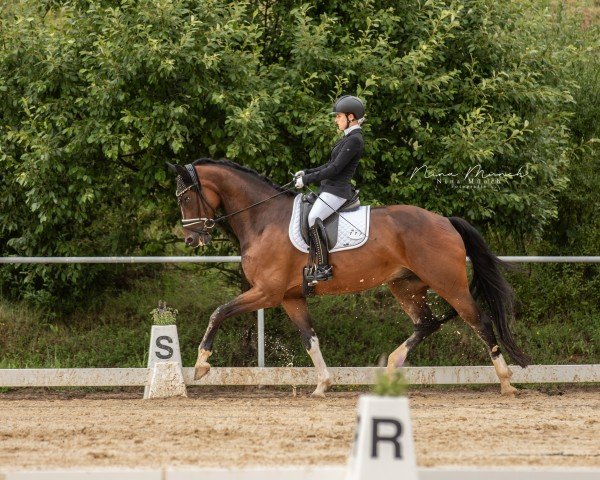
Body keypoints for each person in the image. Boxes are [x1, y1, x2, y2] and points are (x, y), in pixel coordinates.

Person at [293, 95, 365, 283]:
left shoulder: (354, 140)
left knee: (313, 218)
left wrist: (307, 179)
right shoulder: (347, 138)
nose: (336, 120)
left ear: (351, 117)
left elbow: (334, 169)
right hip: (330, 188)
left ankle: (324, 267)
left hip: (337, 191)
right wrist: (306, 172)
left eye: (338, 116)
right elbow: (329, 164)